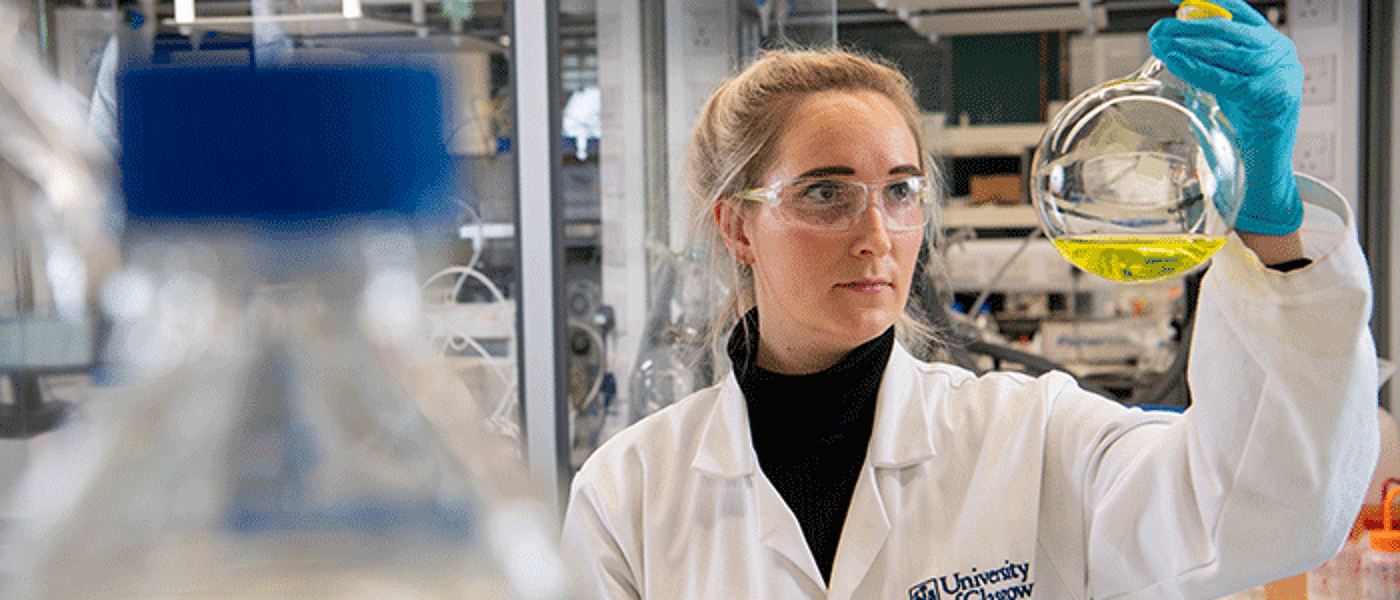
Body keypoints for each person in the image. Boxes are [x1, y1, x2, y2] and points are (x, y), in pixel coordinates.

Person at [561, 1, 1380, 597]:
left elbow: (1267, 512)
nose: (877, 234)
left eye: (902, 190)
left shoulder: (1032, 438)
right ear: (737, 228)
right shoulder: (629, 494)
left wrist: (1271, 223)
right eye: (825, 193)